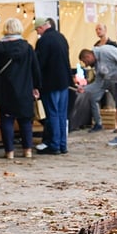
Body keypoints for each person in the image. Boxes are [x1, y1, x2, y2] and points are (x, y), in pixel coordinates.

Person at [0, 18, 41, 159]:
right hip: (25, 89)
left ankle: (9, 152)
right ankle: (27, 151)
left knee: (7, 121)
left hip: (4, 90)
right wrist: (36, 86)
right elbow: (35, 69)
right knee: (25, 121)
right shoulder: (27, 48)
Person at [34, 17, 72, 155]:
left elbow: (40, 64)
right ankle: (63, 144)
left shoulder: (43, 41)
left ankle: (54, 145)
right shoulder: (61, 37)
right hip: (63, 83)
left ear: (41, 27)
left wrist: (36, 84)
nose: (38, 33)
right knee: (62, 114)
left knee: (52, 114)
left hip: (50, 83)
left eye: (37, 30)